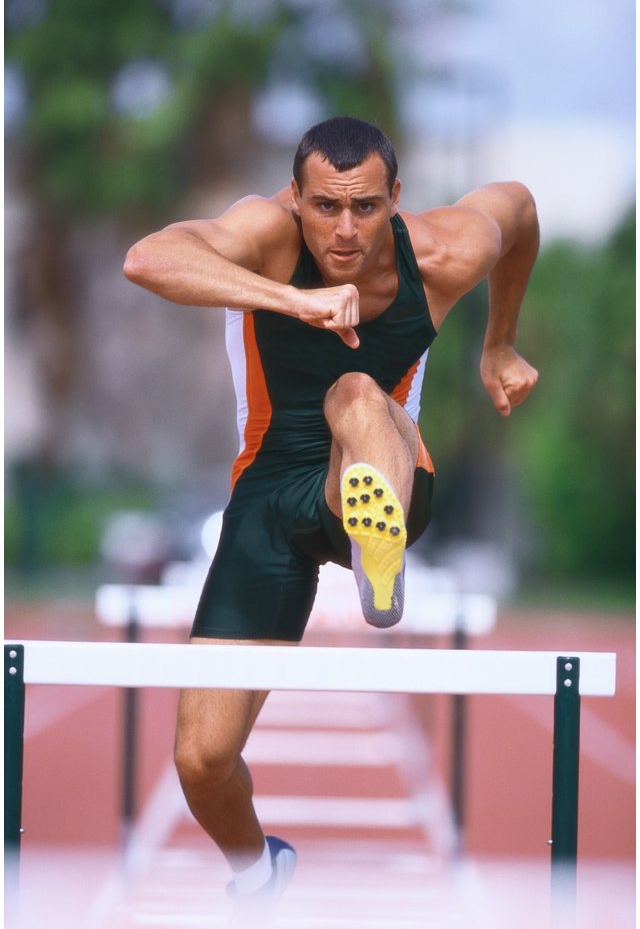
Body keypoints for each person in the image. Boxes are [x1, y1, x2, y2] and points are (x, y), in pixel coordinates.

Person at [123, 115, 539, 923]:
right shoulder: (264, 231)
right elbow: (149, 258)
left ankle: (374, 550)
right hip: (271, 499)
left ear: (396, 201)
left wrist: (500, 341)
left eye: (366, 207)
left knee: (355, 392)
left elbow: (518, 209)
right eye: (324, 207)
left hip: (385, 466)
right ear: (294, 197)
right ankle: (256, 872)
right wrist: (292, 300)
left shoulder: (445, 252)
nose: (345, 230)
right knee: (202, 760)